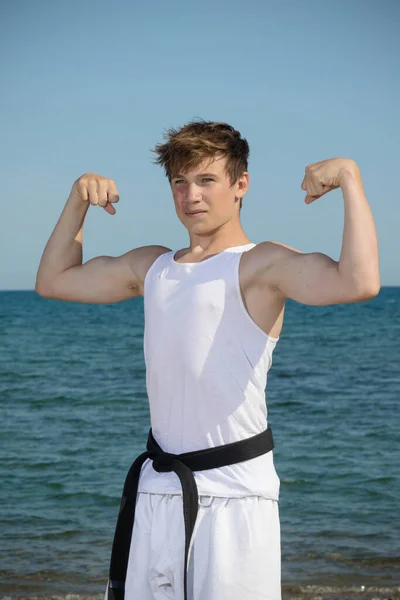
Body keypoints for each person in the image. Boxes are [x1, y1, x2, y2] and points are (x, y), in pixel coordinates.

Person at [35, 120, 380, 600]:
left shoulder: (262, 264)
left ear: (241, 185)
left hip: (235, 495)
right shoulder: (153, 266)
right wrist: (77, 201)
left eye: (206, 180)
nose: (190, 195)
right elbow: (54, 281)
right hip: (157, 491)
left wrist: (350, 179)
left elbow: (358, 282)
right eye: (180, 182)